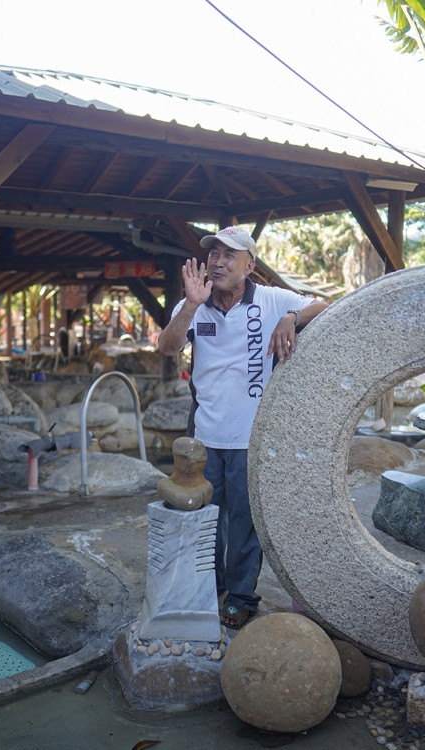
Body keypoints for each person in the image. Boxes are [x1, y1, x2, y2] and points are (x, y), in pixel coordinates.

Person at [157, 226, 329, 629]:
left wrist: (291, 317)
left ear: (249, 265)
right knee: (204, 517)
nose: (217, 262)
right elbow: (167, 347)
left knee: (246, 521)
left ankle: (240, 596)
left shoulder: (271, 300)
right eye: (213, 254)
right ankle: (208, 585)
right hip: (203, 433)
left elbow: (325, 305)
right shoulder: (194, 305)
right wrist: (189, 305)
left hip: (253, 436)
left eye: (228, 255)